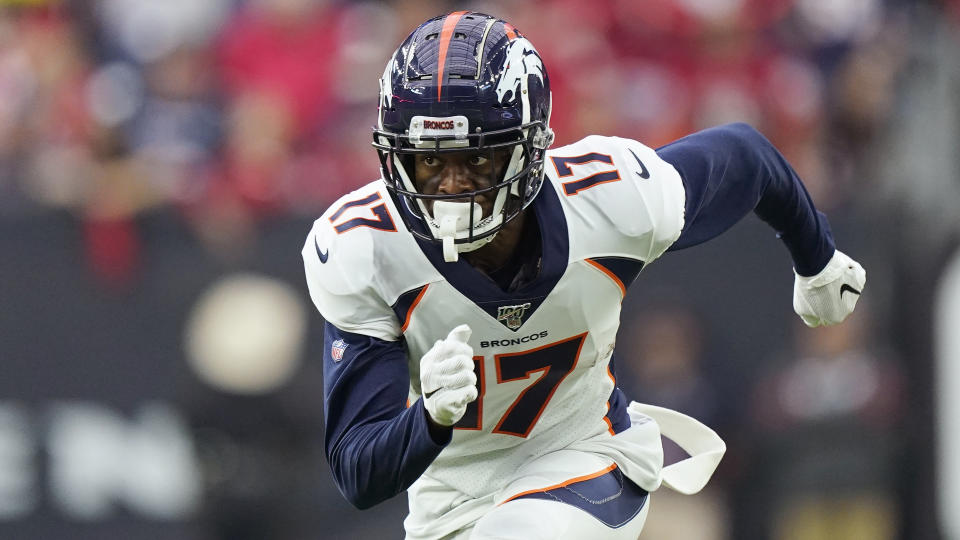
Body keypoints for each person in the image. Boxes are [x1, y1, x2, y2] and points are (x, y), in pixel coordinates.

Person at [302, 11, 866, 539]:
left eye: (476, 159)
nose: (452, 186)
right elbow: (359, 473)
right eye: (430, 160)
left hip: (586, 454)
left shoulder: (611, 201)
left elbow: (746, 156)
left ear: (529, 149)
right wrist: (428, 417)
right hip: (451, 498)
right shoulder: (367, 248)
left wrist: (818, 259)